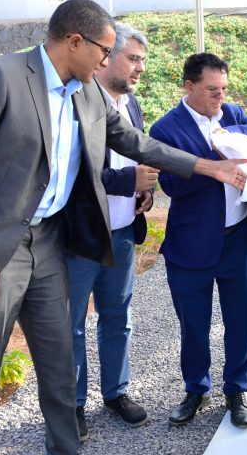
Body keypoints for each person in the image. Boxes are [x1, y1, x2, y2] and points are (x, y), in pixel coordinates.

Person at [0, 0, 246, 455]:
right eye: (104, 51)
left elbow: (137, 143)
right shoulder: (0, 76)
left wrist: (208, 167)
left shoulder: (87, 91)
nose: (106, 62)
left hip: (49, 242)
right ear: (75, 42)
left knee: (59, 366)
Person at [149, 52, 247, 428]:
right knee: (194, 324)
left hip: (239, 240)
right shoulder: (166, 128)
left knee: (241, 321)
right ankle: (195, 389)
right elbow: (171, 184)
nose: (220, 97)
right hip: (190, 245)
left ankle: (237, 390)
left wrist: (230, 139)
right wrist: (213, 162)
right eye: (212, 90)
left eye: (224, 89)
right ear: (189, 87)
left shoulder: (232, 114)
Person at [67, 22, 156, 440]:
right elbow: (72, 174)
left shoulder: (131, 103)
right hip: (82, 238)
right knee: (71, 325)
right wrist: (128, 181)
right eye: (133, 58)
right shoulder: (76, 102)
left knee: (118, 318)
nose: (140, 68)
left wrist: (144, 193)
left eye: (143, 61)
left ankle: (116, 393)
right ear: (105, 56)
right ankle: (72, 405)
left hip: (121, 234)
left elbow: (135, 160)